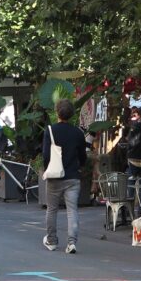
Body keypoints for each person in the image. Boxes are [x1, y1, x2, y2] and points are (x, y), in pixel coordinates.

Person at [42, 99, 88, 254]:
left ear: (57, 112)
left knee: (52, 209)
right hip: (73, 177)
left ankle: (52, 240)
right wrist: (80, 167)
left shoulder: (50, 130)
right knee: (72, 210)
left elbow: (46, 155)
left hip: (55, 176)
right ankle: (71, 243)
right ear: (72, 114)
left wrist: (47, 169)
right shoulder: (78, 133)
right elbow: (83, 156)